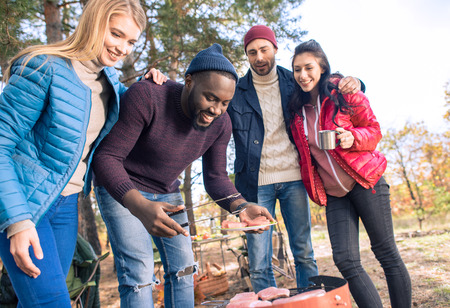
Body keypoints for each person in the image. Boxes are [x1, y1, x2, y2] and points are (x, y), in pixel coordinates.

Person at [0, 0, 165, 306]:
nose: (123, 48)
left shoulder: (110, 83)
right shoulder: (44, 66)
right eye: (116, 34)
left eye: (131, 41)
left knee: (38, 301)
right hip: (26, 206)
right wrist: (18, 221)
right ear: (94, 22)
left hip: (66, 207)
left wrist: (147, 88)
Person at [92, 43, 274, 308]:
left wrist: (241, 207)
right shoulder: (147, 96)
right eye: (210, 98)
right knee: (140, 273)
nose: (216, 110)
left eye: (224, 103)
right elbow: (106, 158)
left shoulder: (221, 123)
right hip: (123, 187)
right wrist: (140, 205)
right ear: (189, 81)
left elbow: (215, 177)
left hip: (167, 191)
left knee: (184, 269)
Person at [227, 25, 363, 292]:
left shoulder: (295, 82)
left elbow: (328, 84)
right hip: (255, 184)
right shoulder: (236, 91)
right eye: (252, 52)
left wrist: (356, 82)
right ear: (247, 55)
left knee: (303, 252)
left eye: (264, 49)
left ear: (275, 49)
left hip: (294, 179)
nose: (259, 57)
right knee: (258, 261)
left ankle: (309, 300)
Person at [289, 39, 411, 308]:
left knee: (386, 253)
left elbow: (374, 130)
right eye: (297, 69)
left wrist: (351, 137)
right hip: (335, 195)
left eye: (308, 67)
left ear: (322, 68)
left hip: (364, 181)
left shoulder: (341, 92)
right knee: (345, 260)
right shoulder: (297, 110)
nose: (302, 75)